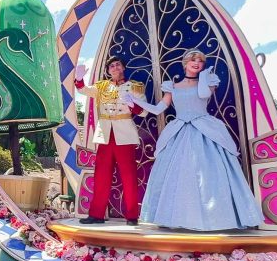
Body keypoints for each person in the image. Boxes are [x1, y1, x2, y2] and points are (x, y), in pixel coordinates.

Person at [128, 49, 263, 230]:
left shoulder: (209, 81)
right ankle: (177, 218)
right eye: (193, 59)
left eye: (200, 60)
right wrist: (135, 101)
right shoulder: (172, 86)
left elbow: (204, 94)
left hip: (205, 130)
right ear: (185, 63)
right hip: (180, 131)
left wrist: (204, 77)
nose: (197, 63)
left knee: (207, 174)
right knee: (179, 176)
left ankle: (216, 218)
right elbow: (158, 109)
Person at [74, 56, 146, 225]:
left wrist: (132, 106)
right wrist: (79, 79)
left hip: (125, 135)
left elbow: (144, 112)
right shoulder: (102, 87)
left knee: (129, 176)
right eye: (111, 66)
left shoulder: (134, 87)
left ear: (123, 67)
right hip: (105, 135)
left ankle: (132, 216)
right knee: (101, 176)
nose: (114, 67)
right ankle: (96, 214)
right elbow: (83, 90)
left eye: (117, 64)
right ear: (108, 70)